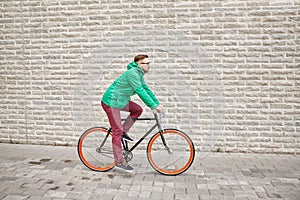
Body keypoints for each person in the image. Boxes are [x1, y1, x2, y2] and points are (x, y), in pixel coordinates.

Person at [101, 54, 163, 172]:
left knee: (137, 110)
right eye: (147, 63)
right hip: (111, 102)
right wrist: (153, 106)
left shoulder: (139, 74)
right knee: (117, 131)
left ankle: (124, 130)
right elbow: (140, 91)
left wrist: (157, 103)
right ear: (139, 64)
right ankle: (119, 161)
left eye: (149, 63)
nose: (149, 65)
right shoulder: (133, 73)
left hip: (120, 101)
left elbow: (146, 89)